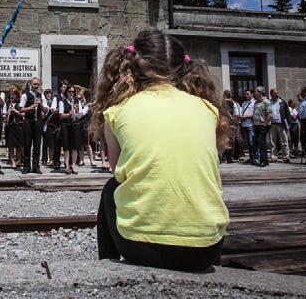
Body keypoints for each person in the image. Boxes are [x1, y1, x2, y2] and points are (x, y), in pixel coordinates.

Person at [91, 30, 229, 271]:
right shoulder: (208, 108)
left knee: (110, 188)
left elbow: (117, 171)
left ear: (132, 65)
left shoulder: (118, 111)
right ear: (182, 66)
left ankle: (109, 268)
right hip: (207, 250)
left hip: (141, 248)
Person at [19, 77, 47, 174]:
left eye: (37, 84)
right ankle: (26, 166)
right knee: (27, 144)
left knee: (37, 144)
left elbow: (46, 110)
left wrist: (41, 106)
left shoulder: (41, 96)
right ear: (31, 84)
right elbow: (21, 109)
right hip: (28, 121)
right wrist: (30, 108)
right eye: (34, 84)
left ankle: (36, 166)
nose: (35, 86)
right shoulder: (25, 95)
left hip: (38, 121)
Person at [59, 85, 86, 174]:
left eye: (73, 92)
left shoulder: (77, 101)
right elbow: (61, 115)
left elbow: (81, 114)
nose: (71, 93)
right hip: (66, 125)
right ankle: (67, 165)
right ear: (66, 92)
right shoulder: (62, 102)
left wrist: (77, 113)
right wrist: (68, 114)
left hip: (75, 124)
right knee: (66, 146)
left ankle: (73, 165)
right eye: (69, 91)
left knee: (75, 146)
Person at [268, 88, 291, 163]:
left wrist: (289, 123)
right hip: (272, 124)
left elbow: (288, 114)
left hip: (281, 124)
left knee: (284, 141)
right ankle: (273, 157)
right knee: (272, 142)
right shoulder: (268, 102)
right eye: (275, 93)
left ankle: (286, 157)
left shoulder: (282, 102)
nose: (277, 94)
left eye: (277, 93)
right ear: (271, 94)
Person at [50, 80, 69, 169]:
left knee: (68, 144)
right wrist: (60, 109)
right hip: (58, 123)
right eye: (62, 87)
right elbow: (53, 110)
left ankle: (67, 163)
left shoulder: (70, 98)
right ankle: (56, 163)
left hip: (68, 123)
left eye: (65, 87)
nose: (64, 89)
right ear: (60, 88)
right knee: (57, 143)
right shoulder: (56, 97)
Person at [252, 86, 272, 167]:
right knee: (258, 143)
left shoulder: (266, 102)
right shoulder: (256, 102)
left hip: (262, 125)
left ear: (260, 92)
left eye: (256, 91)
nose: (254, 93)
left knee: (261, 142)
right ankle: (265, 160)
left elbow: (269, 114)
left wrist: (265, 124)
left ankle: (263, 160)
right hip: (256, 125)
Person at [6, 87, 25, 169]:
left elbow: (24, 114)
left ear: (17, 95)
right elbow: (4, 114)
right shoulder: (8, 103)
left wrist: (16, 111)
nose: (11, 96)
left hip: (19, 125)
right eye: (11, 94)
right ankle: (12, 161)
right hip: (10, 125)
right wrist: (8, 113)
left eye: (13, 94)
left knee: (19, 144)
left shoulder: (21, 103)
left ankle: (19, 160)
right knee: (11, 145)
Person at [240, 89, 255, 163]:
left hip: (251, 125)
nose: (246, 95)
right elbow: (242, 113)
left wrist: (245, 117)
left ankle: (255, 157)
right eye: (245, 94)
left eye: (247, 94)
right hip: (245, 125)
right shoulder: (244, 103)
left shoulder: (255, 103)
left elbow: (254, 114)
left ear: (252, 94)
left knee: (252, 142)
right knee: (248, 143)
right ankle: (251, 158)